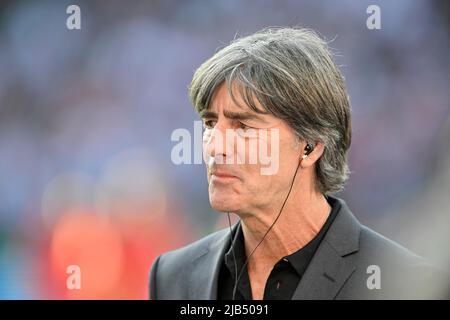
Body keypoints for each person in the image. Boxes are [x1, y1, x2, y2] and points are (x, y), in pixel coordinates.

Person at [149, 27, 448, 299]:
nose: (215, 146)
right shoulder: (173, 277)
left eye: (244, 126)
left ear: (311, 146)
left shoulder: (408, 286)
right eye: (211, 124)